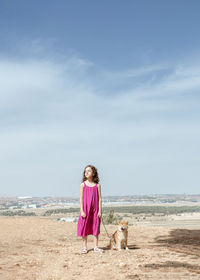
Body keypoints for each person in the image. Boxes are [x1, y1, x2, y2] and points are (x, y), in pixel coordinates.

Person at [77, 164, 103, 254]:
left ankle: (96, 247)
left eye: (89, 171)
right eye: (85, 171)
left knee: (95, 227)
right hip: (86, 209)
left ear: (93, 173)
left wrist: (100, 210)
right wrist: (82, 211)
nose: (86, 172)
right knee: (84, 227)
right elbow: (81, 198)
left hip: (95, 209)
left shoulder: (97, 186)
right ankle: (84, 247)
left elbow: (99, 199)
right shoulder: (82, 185)